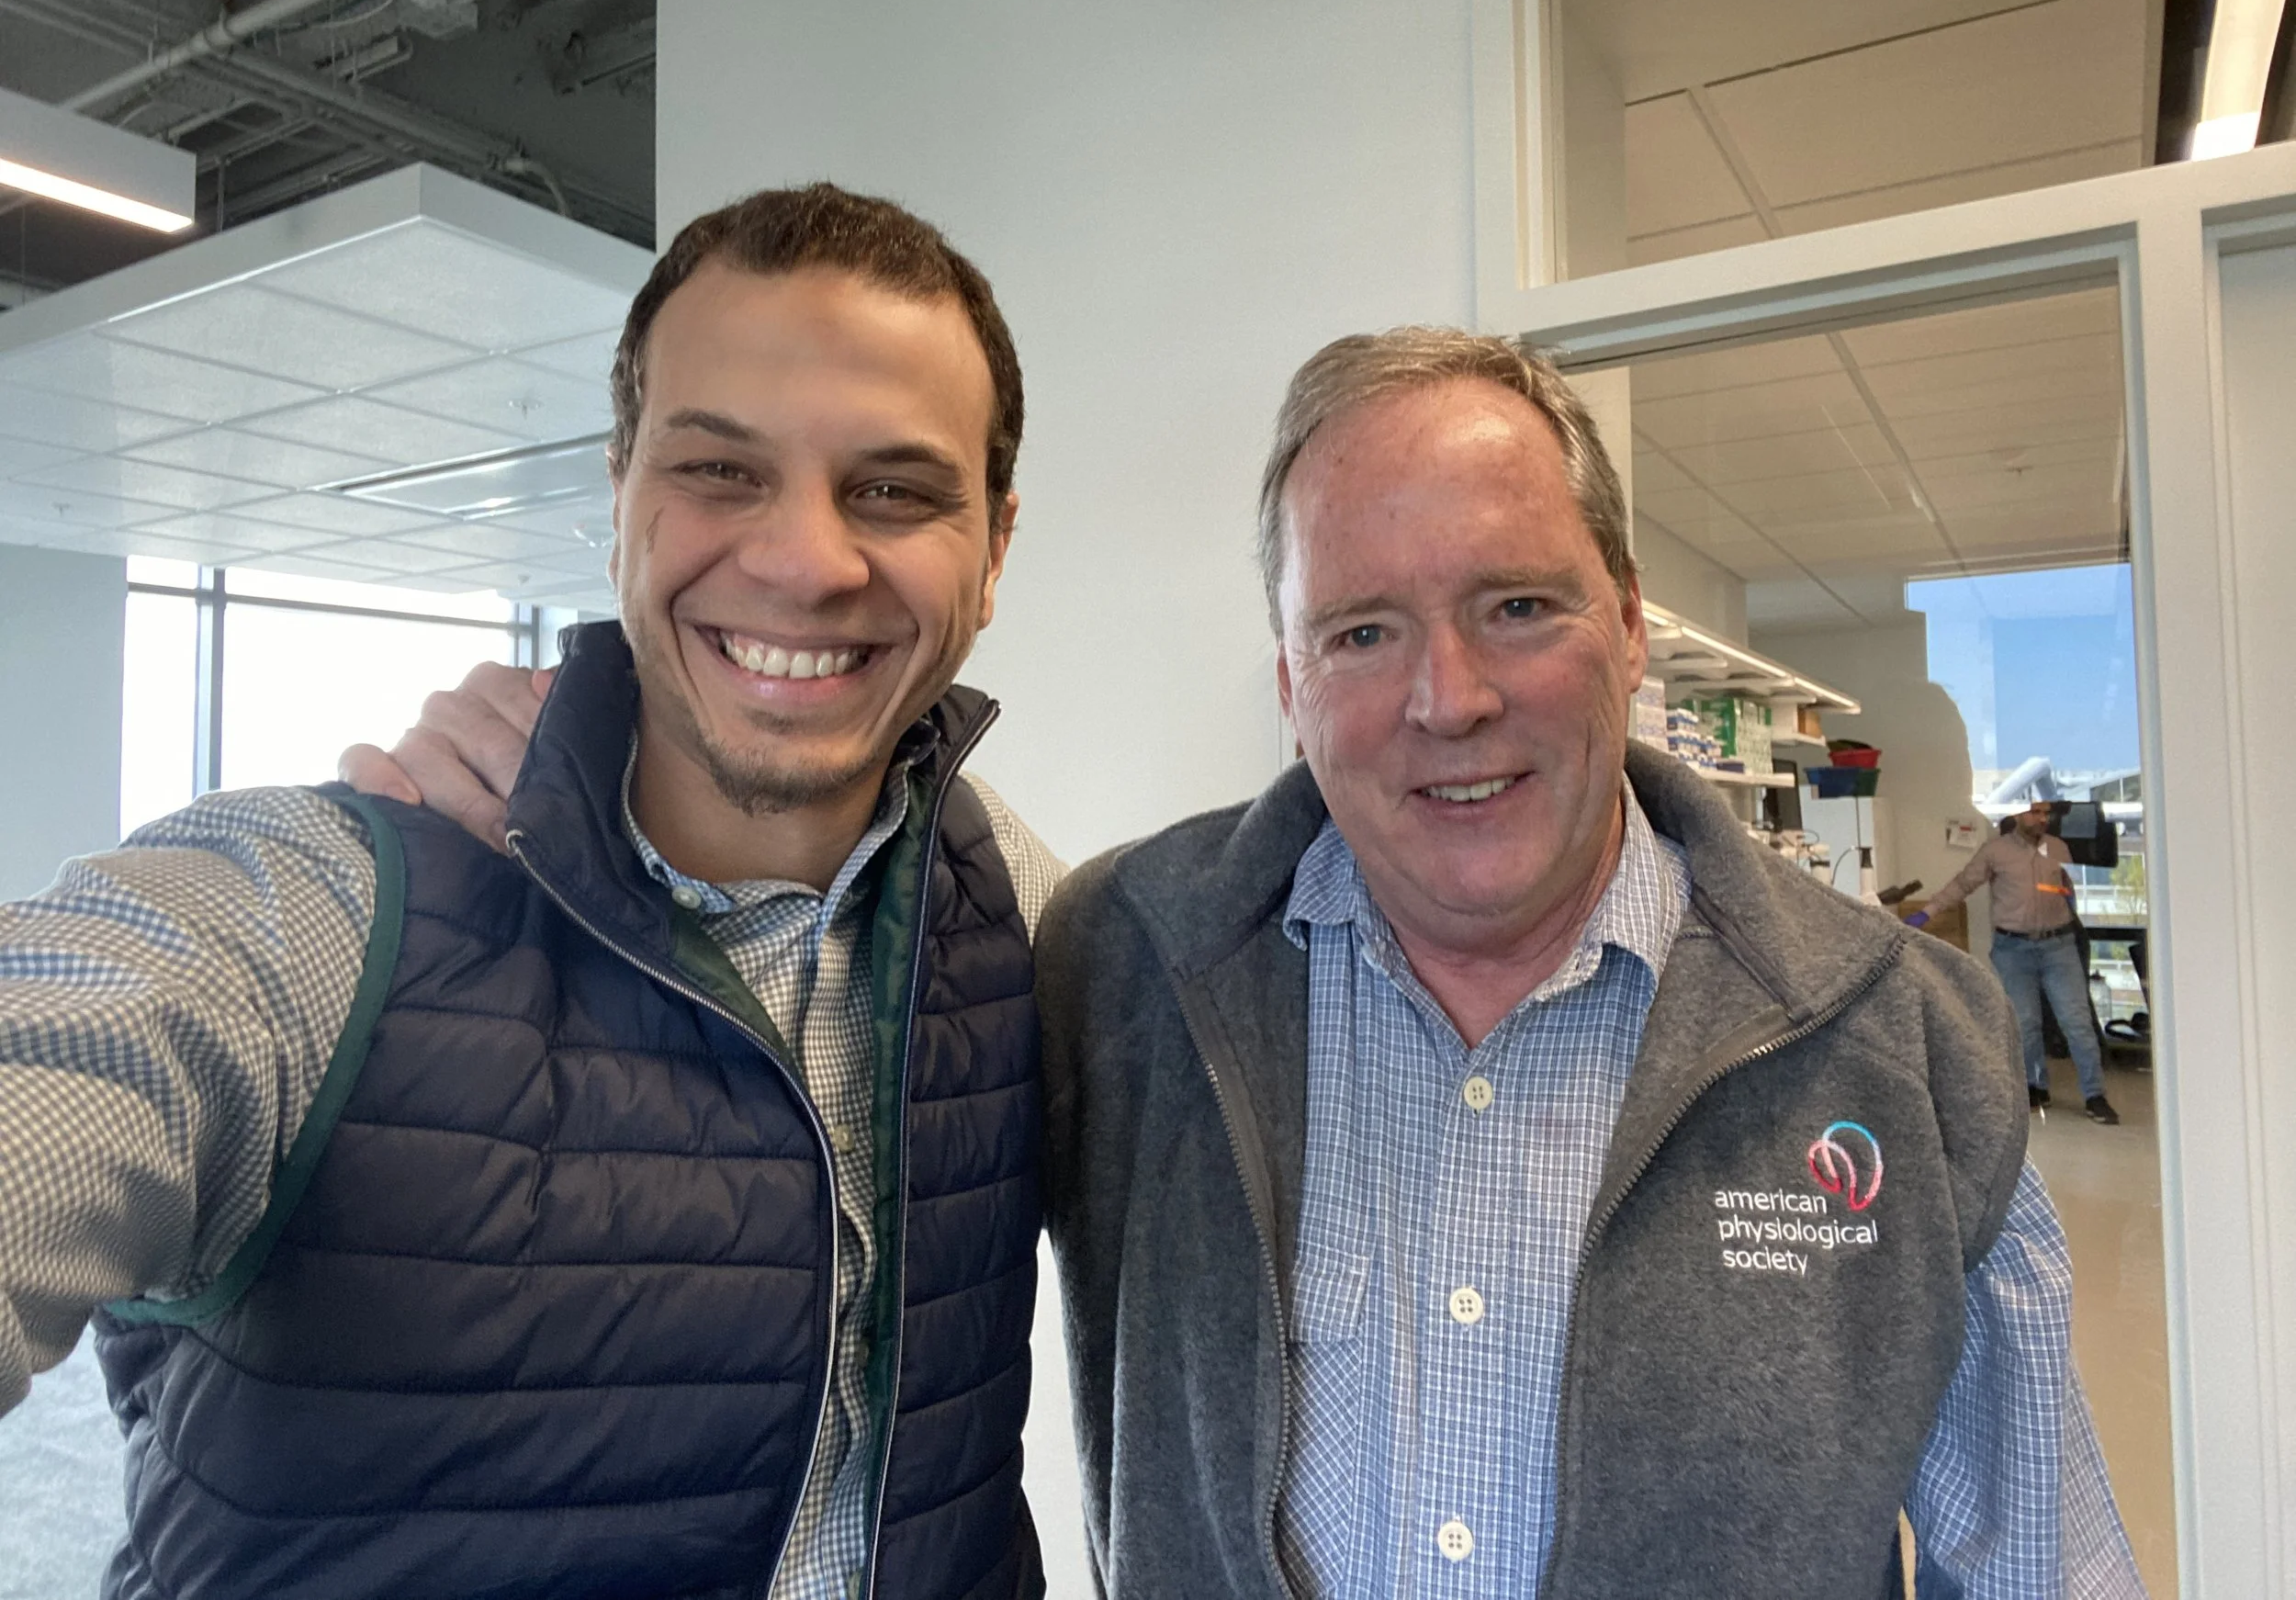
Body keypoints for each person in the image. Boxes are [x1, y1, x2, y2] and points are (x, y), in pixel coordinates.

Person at [367, 331, 2145, 1598]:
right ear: (1290, 682)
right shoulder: (1123, 963)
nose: (1447, 696)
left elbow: (2038, 1562)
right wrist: (576, 764)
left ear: (1622, 622)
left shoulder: (1898, 1043)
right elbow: (810, 947)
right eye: (1361, 631)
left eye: (1516, 606)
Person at [0, 184, 1062, 1600]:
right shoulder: (315, 910)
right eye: (721, 469)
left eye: (895, 488)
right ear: (619, 497)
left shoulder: (1028, 912)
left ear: (993, 550)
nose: (805, 561)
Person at [1909, 803, 2118, 1123]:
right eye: (2035, 813)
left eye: (2046, 814)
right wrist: (1927, 913)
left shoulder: (2058, 848)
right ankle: (2035, 1087)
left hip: (2059, 947)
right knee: (2025, 1024)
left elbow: (2069, 889)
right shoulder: (1995, 852)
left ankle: (2095, 1095)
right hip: (2013, 950)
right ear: (2018, 814)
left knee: (2077, 1022)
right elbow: (1963, 884)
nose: (2042, 819)